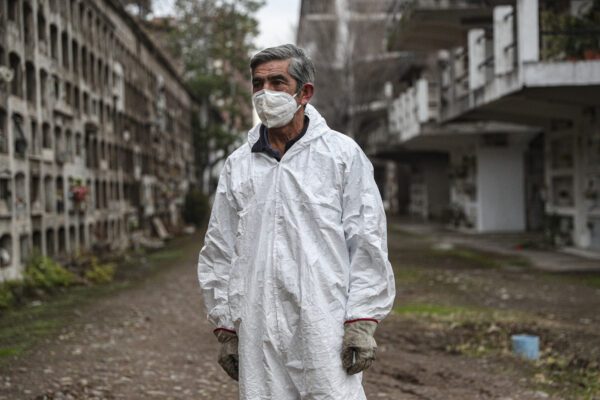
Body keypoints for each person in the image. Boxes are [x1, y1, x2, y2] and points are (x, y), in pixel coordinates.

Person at [197, 44, 395, 400]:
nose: (265, 93)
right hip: (258, 327)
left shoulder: (341, 155)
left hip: (324, 322)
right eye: (258, 84)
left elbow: (367, 241)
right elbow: (219, 249)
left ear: (304, 92)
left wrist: (361, 322)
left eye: (277, 82)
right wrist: (226, 328)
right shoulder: (239, 165)